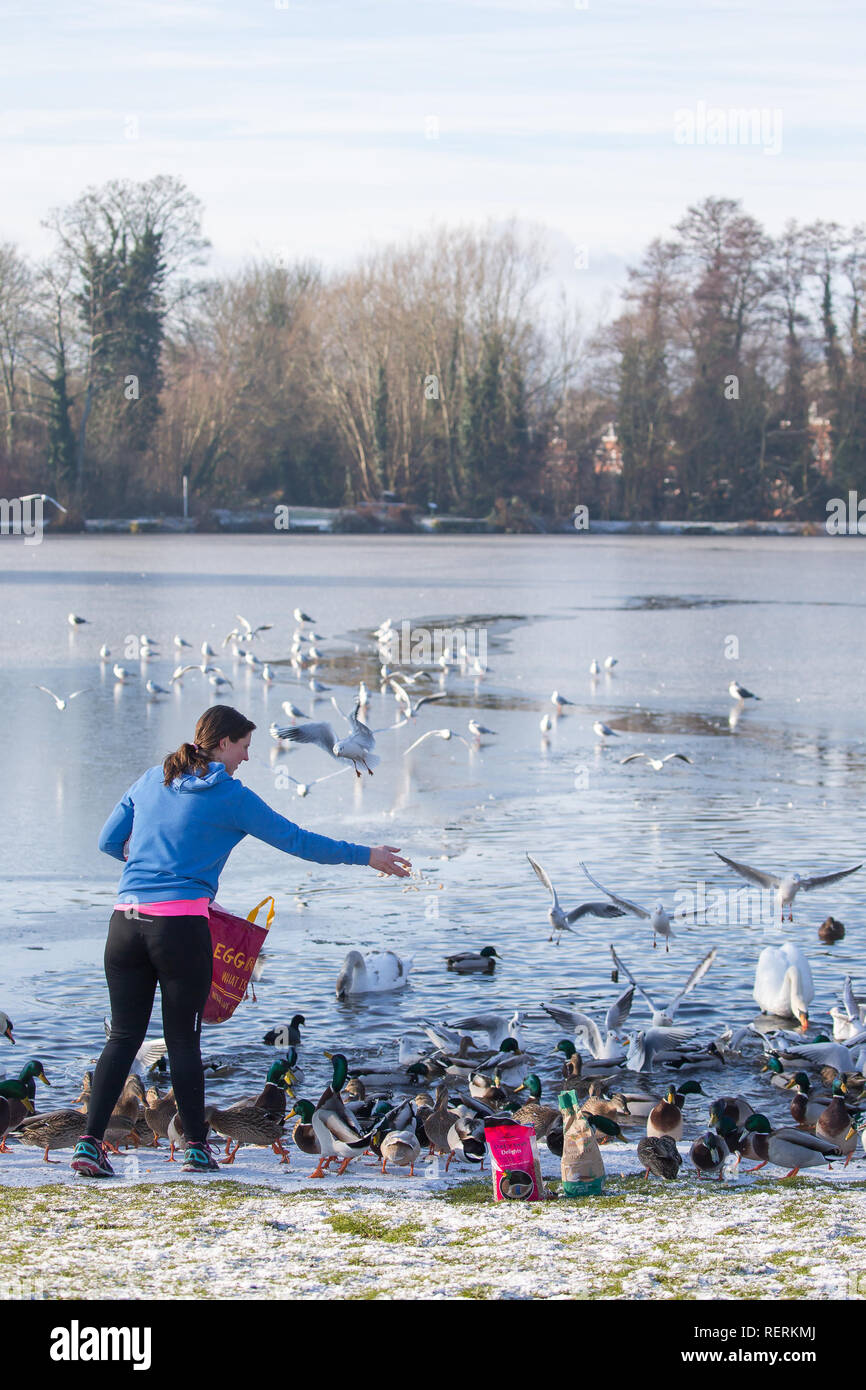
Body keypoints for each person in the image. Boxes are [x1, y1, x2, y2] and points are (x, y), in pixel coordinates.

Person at [71, 705, 410, 1177]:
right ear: (224, 743)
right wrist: (366, 855)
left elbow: (109, 842)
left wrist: (146, 860)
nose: (247, 757)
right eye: (245, 746)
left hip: (123, 924)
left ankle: (88, 1145)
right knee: (183, 1042)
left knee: (124, 1037)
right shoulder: (230, 795)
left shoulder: (151, 779)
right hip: (179, 930)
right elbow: (297, 840)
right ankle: (195, 1149)